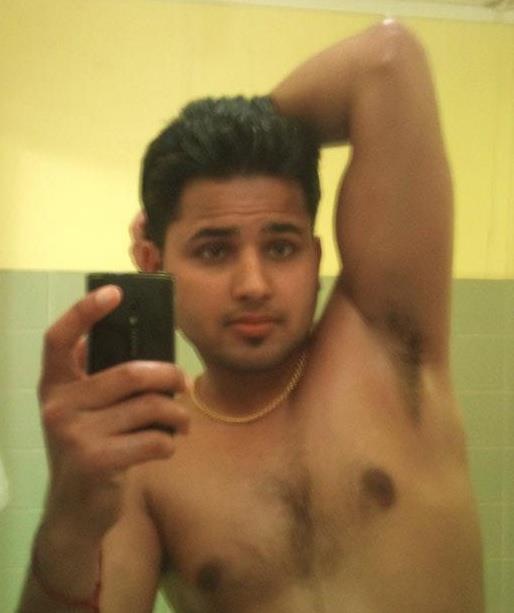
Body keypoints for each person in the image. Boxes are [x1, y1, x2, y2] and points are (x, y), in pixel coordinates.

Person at [18, 20, 484, 613]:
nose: (254, 285)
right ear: (154, 263)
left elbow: (387, 62)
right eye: (214, 250)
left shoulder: (386, 350)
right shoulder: (145, 459)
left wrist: (233, 132)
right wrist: (69, 518)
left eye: (282, 247)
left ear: (315, 256)